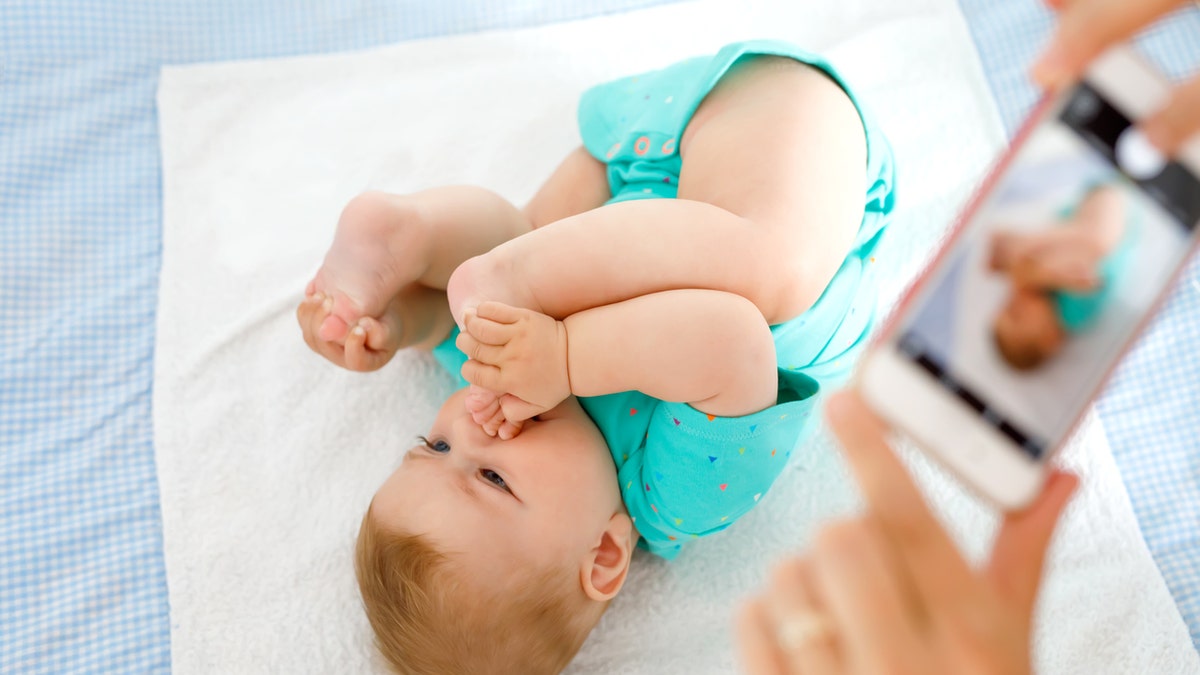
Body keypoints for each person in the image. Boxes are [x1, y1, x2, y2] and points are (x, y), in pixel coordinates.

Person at [298, 40, 896, 674]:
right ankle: (512, 268)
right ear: (605, 555)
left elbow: (448, 317)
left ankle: (408, 231)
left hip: (641, 157)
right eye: (493, 479)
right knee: (775, 275)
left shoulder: (506, 382)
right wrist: (564, 356)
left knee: (502, 262)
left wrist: (393, 322)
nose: (472, 428)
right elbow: (732, 338)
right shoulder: (671, 497)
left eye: (436, 445)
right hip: (780, 146)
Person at [736, 0, 1199, 672]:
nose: (1018, 307)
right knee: (1089, 236)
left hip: (1087, 206)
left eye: (1007, 316)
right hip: (1105, 225)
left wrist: (1027, 259)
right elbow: (1072, 251)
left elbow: (1012, 248)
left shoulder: (1030, 273)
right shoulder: (1074, 304)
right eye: (1024, 319)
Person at [990, 183, 1134, 370]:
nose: (1015, 301)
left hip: (1092, 207)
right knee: (1099, 242)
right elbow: (1091, 279)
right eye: (1017, 314)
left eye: (1007, 305)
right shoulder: (1073, 316)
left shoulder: (1048, 293)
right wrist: (1030, 274)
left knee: (1018, 253)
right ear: (1049, 339)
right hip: (1109, 219)